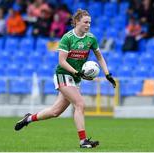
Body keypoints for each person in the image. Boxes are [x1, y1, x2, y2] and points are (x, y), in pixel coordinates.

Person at [14, 9, 116, 148]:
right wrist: (76, 72)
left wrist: (107, 74)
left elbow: (99, 56)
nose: (88, 25)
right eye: (85, 22)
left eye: (90, 23)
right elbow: (62, 61)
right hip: (63, 75)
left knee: (55, 112)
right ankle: (83, 141)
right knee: (80, 104)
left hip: (75, 78)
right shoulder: (67, 38)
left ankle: (29, 118)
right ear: (76, 22)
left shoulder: (91, 38)